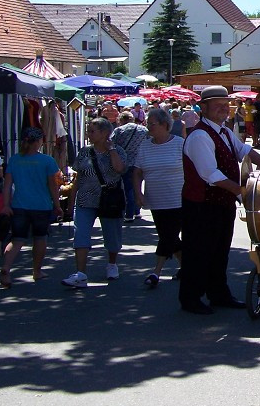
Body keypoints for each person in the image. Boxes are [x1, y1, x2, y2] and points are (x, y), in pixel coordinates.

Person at [180, 86, 260, 314]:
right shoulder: (200, 135)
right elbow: (211, 175)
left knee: (220, 251)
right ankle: (190, 299)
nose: (224, 107)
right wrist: (242, 192)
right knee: (199, 252)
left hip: (221, 203)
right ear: (203, 108)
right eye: (217, 104)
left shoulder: (224, 131)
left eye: (226, 103)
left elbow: (244, 150)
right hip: (201, 204)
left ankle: (218, 294)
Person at [62, 117, 127, 287]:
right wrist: (71, 201)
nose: (88, 134)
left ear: (105, 133)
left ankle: (112, 264)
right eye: (88, 130)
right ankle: (81, 274)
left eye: (92, 131)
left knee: (112, 234)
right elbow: (78, 177)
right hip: (85, 199)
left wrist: (111, 149)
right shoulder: (84, 152)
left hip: (110, 200)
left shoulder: (118, 150)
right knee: (81, 235)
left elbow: (120, 169)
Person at [0, 127, 62, 287]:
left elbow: (7, 186)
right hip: (41, 206)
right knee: (40, 238)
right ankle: (37, 270)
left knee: (17, 239)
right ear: (39, 141)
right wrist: (57, 205)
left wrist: (6, 205)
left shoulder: (14, 160)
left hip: (19, 205)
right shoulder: (47, 161)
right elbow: (52, 186)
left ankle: (6, 267)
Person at [133, 108, 184, 288]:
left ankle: (156, 272)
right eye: (147, 123)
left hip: (178, 200)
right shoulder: (145, 145)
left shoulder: (180, 144)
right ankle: (186, 267)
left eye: (151, 123)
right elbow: (137, 172)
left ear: (164, 125)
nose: (148, 127)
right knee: (168, 236)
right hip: (156, 200)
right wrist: (138, 193)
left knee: (167, 236)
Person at [111, 111, 149, 223]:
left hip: (125, 162)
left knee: (128, 188)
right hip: (140, 162)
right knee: (137, 186)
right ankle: (137, 211)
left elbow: (112, 144)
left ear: (121, 120)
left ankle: (129, 213)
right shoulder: (143, 130)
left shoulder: (118, 130)